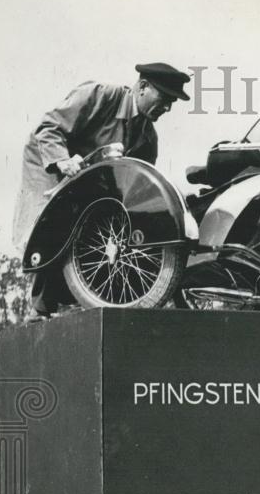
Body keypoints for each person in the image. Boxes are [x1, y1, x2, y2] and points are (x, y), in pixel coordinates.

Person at [12, 62, 191, 316]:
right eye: (164, 98)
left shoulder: (148, 138)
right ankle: (40, 308)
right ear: (142, 87)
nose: (167, 108)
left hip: (91, 175)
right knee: (54, 222)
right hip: (49, 162)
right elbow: (49, 127)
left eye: (172, 102)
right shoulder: (100, 95)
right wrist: (62, 161)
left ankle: (90, 292)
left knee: (102, 223)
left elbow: (136, 189)